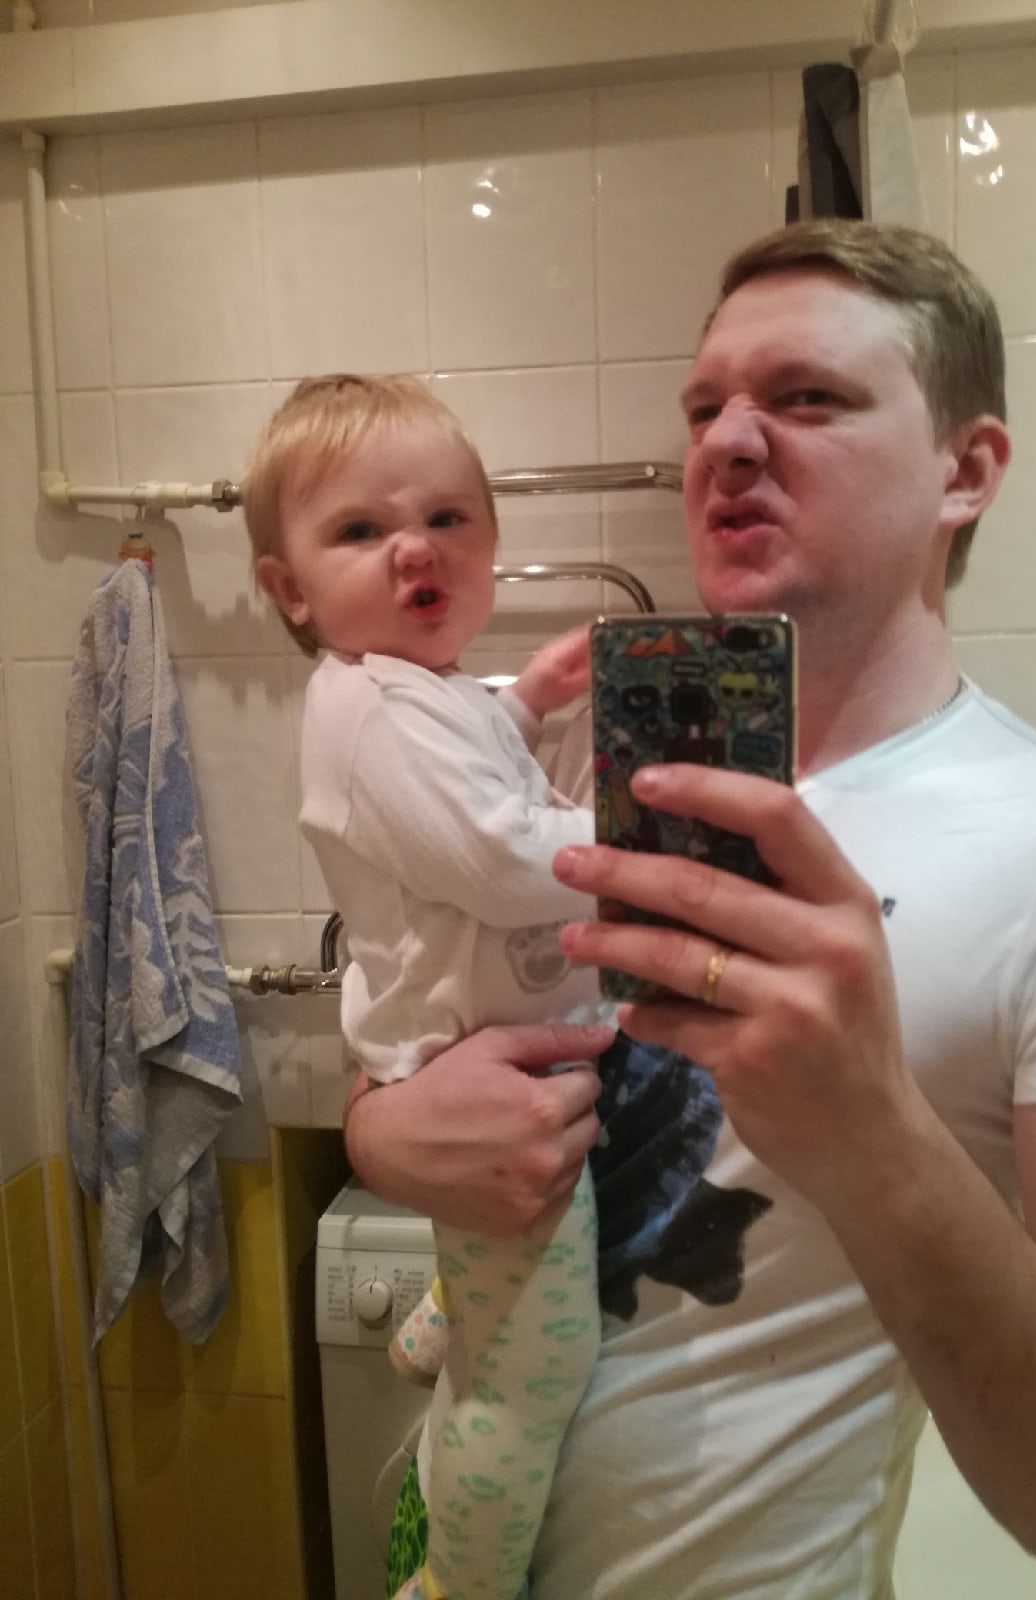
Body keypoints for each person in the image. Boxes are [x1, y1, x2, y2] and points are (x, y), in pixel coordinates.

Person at [345, 222, 1036, 1600]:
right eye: (704, 409)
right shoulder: (593, 768)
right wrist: (386, 1132)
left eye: (807, 397)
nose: (729, 442)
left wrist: (870, 1135)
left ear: (966, 470)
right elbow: (429, 1015)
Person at [242, 374, 614, 1600]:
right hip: (485, 1084)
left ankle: (442, 1308)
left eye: (449, 518)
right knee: (530, 1381)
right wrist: (638, 833)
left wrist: (533, 700)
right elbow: (502, 858)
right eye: (361, 529)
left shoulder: (423, 691)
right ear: (291, 588)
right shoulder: (375, 707)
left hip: (476, 1066)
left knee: (506, 1313)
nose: (416, 547)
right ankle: (456, 1578)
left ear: (492, 540)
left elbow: (470, 760)